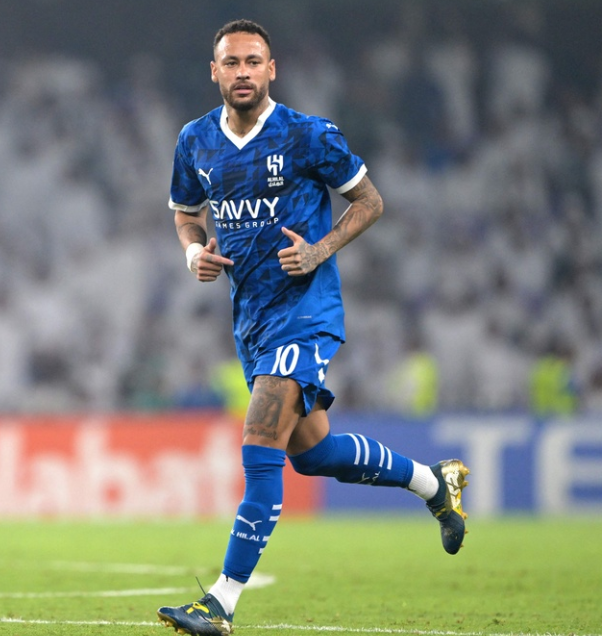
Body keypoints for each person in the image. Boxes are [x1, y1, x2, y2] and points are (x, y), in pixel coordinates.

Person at [156, 20, 470, 636]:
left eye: (254, 61)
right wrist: (194, 254)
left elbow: (370, 201)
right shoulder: (195, 141)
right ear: (214, 72)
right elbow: (186, 216)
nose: (243, 71)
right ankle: (437, 484)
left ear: (272, 69)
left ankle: (220, 604)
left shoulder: (307, 135)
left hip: (307, 311)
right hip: (251, 317)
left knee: (260, 443)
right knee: (312, 452)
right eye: (231, 62)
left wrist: (321, 249)